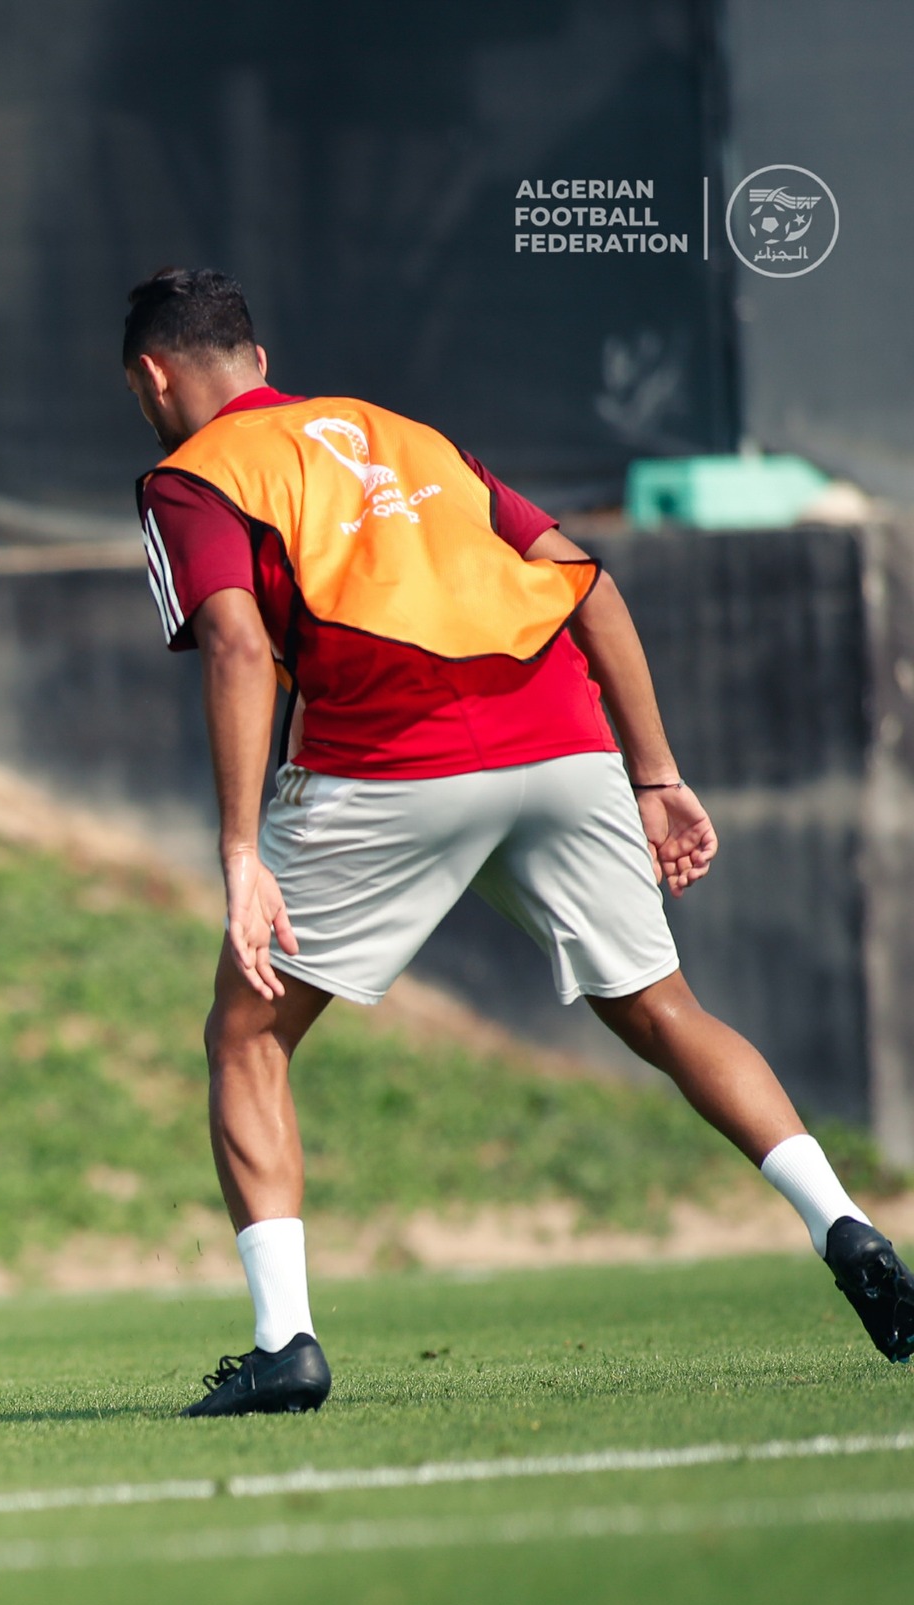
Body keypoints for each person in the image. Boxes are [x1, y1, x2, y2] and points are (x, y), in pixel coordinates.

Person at [123, 266, 914, 1418]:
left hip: (386, 757)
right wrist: (656, 774)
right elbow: (585, 589)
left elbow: (241, 651)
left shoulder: (189, 475)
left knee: (245, 1034)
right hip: (557, 736)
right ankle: (838, 1218)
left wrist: (241, 855)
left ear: (153, 376)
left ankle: (283, 1340)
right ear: (255, 355)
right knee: (663, 1009)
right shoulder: (409, 437)